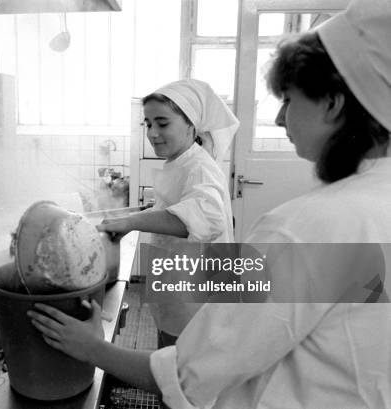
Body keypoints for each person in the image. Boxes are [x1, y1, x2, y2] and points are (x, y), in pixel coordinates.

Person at [27, 0, 391, 407]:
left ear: (333, 102)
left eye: (288, 99)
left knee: (181, 345)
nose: (278, 118)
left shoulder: (308, 225)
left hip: (202, 288)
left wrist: (92, 347)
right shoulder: (375, 202)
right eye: (148, 124)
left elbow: (192, 374)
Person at [98, 79, 239, 345]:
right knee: (169, 360)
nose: (152, 133)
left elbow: (205, 219)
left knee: (181, 373)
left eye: (163, 123)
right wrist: (142, 212)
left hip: (195, 300)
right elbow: (174, 208)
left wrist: (131, 222)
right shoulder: (180, 162)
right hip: (178, 289)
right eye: (148, 124)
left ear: (190, 125)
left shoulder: (199, 167)